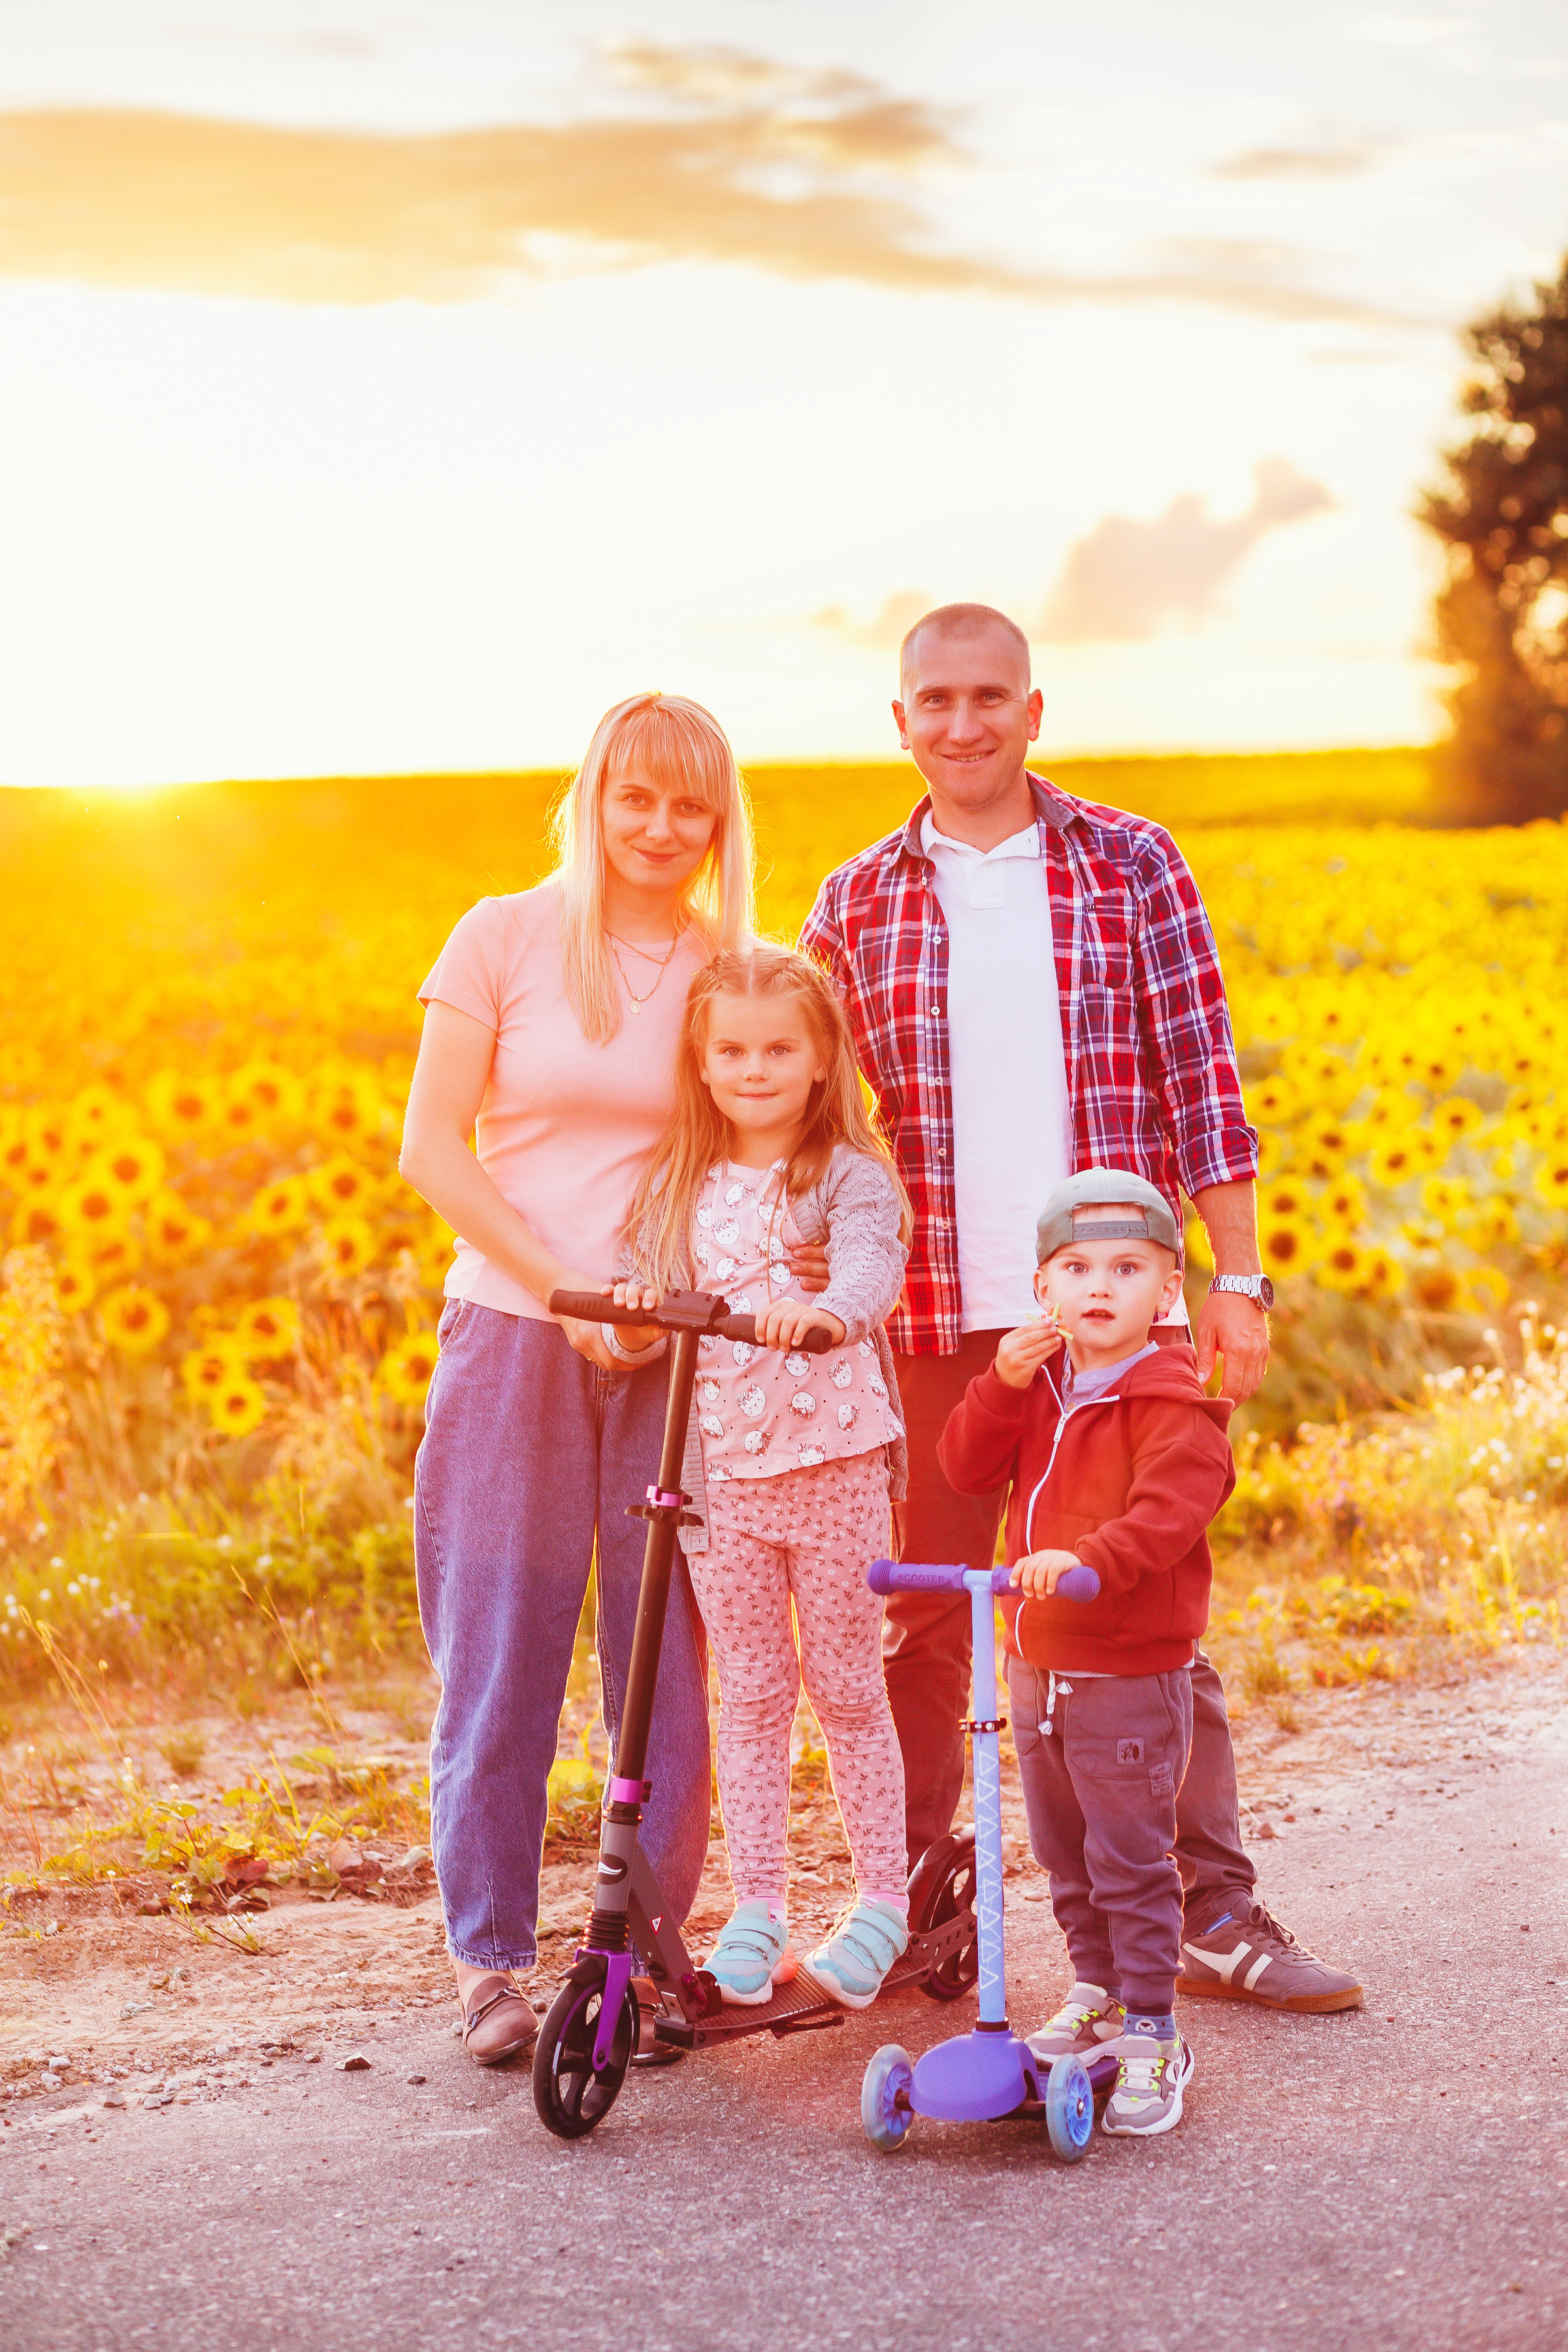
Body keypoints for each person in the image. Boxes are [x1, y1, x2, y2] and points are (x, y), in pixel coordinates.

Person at [800, 602, 1362, 2012]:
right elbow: (804, 1119)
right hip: (938, 1321)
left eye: (991, 697)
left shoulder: (1131, 862)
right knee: (931, 1624)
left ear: (1034, 710)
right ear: (901, 723)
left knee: (1144, 1624)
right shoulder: (852, 902)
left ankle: (1207, 1909)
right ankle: (916, 1901)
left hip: (1116, 1318)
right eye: (937, 702)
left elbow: (1205, 1085)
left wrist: (1236, 1283)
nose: (964, 724)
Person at [399, 691, 756, 2068]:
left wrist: (674, 1303)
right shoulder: (503, 935)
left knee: (664, 1668)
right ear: (595, 797)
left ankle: (640, 1955)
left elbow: (753, 1155)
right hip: (514, 1333)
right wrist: (564, 1293)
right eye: (637, 798)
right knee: (501, 1652)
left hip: (671, 1349)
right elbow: (434, 1148)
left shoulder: (729, 969)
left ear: (719, 821)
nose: (661, 828)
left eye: (690, 805)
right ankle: (488, 1959)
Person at [609, 943, 913, 2011]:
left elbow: (874, 1261)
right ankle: (760, 1905)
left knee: (848, 1688)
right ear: (700, 1063)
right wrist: (634, 1313)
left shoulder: (845, 1176)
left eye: (780, 1049)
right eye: (732, 1051)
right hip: (726, 1483)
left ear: (822, 1058)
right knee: (749, 1696)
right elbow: (645, 1283)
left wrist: (827, 1313)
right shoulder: (678, 1183)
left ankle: (883, 1898)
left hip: (835, 1471)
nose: (755, 1069)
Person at [938, 1170, 1236, 2137]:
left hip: (1128, 1674)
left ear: (1168, 1291)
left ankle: (1153, 2028)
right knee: (1065, 1854)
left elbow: (1169, 1515)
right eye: (1076, 1269)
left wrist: (1089, 1560)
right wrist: (998, 1384)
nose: (1098, 1286)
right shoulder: (1035, 1389)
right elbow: (964, 1469)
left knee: (1129, 1859)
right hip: (1038, 1669)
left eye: (1127, 1268)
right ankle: (1095, 1988)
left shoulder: (1175, 1402)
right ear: (1043, 1288)